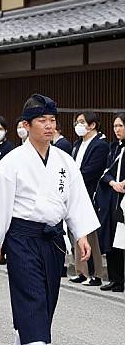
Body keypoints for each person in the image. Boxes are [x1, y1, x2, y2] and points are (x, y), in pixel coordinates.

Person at [0, 94, 97, 345]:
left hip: (53, 237)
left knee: (47, 296)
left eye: (52, 120)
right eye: (42, 120)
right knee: (31, 295)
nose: (48, 126)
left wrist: (80, 233)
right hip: (21, 237)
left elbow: (75, 201)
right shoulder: (12, 161)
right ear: (26, 126)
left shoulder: (64, 161)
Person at [69, 111, 108, 286]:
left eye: (82, 122)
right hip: (74, 192)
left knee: (90, 234)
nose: (78, 125)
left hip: (89, 192)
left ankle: (96, 273)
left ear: (92, 125)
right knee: (76, 232)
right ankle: (82, 271)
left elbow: (93, 170)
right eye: (77, 122)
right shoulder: (78, 144)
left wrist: (74, 179)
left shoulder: (100, 145)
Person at [95, 112, 125, 292]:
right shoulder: (114, 148)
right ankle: (115, 279)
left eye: (120, 125)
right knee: (113, 238)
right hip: (113, 199)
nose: (117, 129)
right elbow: (106, 172)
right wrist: (113, 183)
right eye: (115, 126)